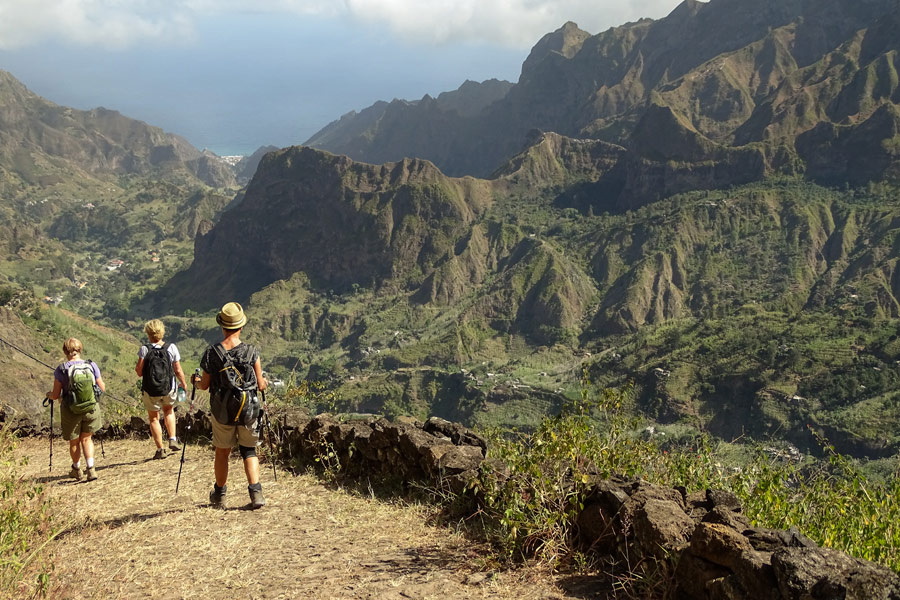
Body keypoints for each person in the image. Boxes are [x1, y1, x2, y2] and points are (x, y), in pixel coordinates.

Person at [193, 302, 268, 509]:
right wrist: (263, 382)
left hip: (222, 411)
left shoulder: (212, 353)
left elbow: (205, 385)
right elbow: (261, 384)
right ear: (241, 326)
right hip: (248, 411)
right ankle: (256, 493)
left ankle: (219, 495)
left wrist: (195, 382)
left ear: (222, 326)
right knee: (249, 450)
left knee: (222, 451)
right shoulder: (252, 352)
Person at [47, 338, 106, 482]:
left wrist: (49, 395)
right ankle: (91, 469)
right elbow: (102, 388)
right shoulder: (91, 365)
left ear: (65, 351)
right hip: (91, 409)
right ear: (80, 350)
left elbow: (55, 395)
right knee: (87, 439)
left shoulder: (61, 369)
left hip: (71, 411)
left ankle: (77, 469)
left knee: (74, 442)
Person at [135, 319, 188, 460]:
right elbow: (177, 369)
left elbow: (139, 372)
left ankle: (160, 449)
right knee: (169, 411)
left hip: (150, 390)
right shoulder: (171, 348)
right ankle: (172, 438)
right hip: (169, 388)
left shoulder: (144, 349)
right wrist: (183, 382)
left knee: (154, 418)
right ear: (162, 332)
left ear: (148, 333)